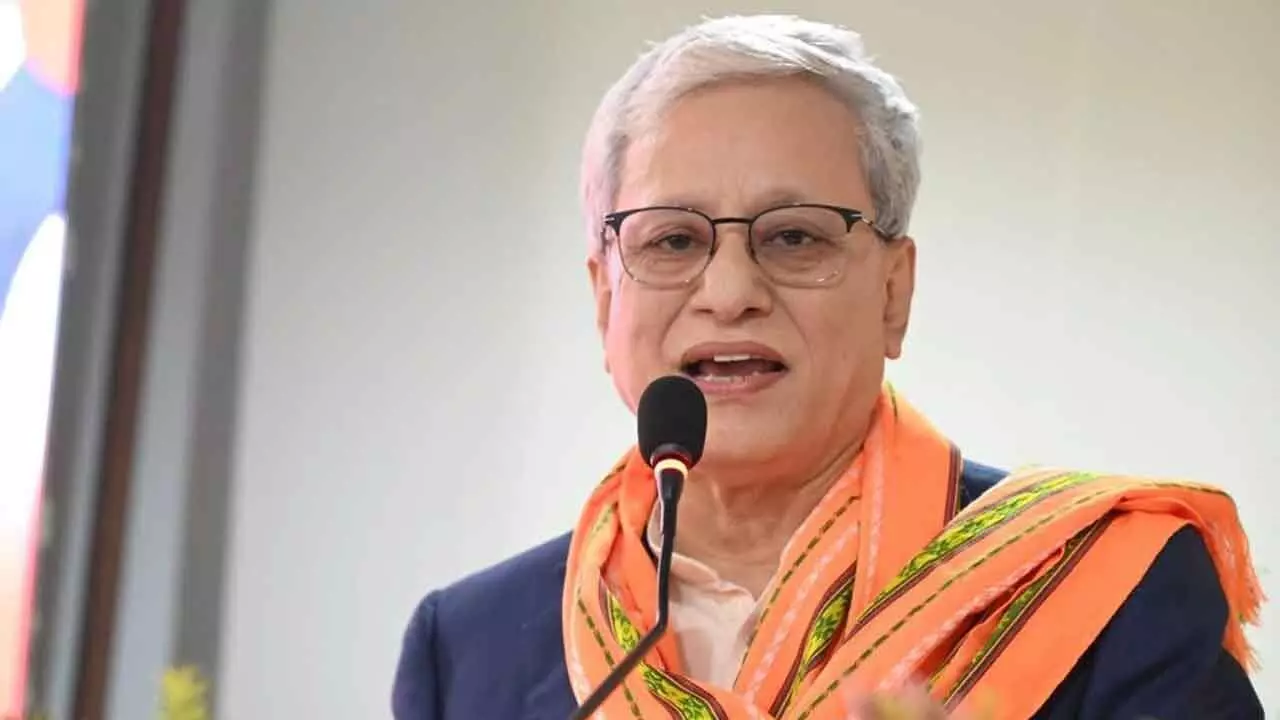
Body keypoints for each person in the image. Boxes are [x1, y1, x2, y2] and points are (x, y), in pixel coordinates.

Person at [392, 14, 1264, 719]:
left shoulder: (1105, 585)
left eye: (795, 237)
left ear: (894, 293)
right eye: (673, 240)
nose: (730, 292)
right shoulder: (469, 648)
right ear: (602, 299)